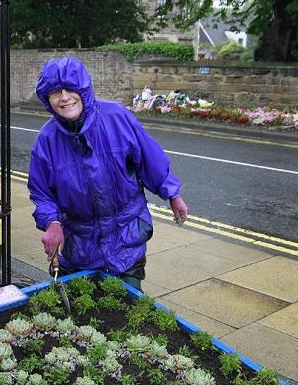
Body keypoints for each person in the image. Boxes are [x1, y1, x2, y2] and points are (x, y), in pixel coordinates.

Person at [28, 56, 188, 288]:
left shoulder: (117, 117)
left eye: (70, 88)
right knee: (79, 318)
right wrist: (52, 223)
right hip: (79, 249)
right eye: (55, 93)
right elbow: (42, 193)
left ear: (83, 88)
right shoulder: (46, 140)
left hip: (126, 242)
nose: (64, 97)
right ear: (47, 99)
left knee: (127, 309)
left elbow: (149, 158)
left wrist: (172, 194)